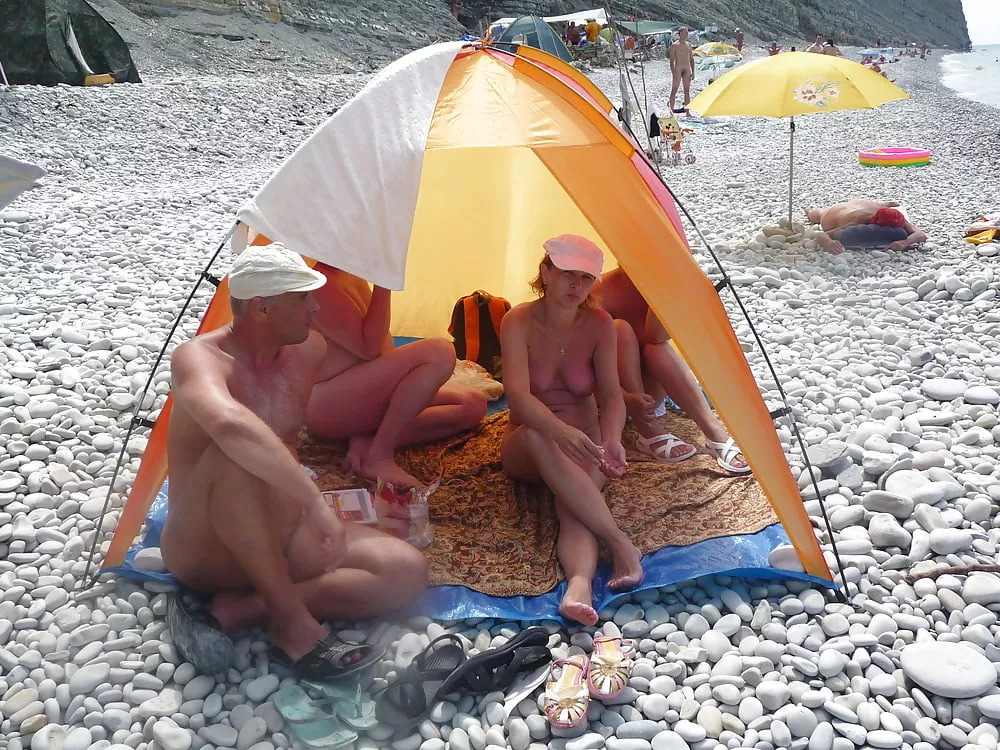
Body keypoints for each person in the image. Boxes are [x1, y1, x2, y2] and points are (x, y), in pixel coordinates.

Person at [160, 244, 429, 678]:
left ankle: (240, 610)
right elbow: (229, 425)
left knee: (404, 570)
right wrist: (314, 501)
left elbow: (367, 362)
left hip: (283, 530)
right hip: (207, 545)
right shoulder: (199, 358)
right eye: (303, 298)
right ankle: (291, 623)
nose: (315, 308)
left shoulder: (308, 351)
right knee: (237, 452)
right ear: (261, 308)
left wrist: (366, 443)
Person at [500, 235, 644, 627]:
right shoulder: (518, 321)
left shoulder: (600, 324)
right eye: (567, 274)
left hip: (586, 442)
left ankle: (578, 586)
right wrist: (561, 432)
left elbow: (611, 396)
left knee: (573, 501)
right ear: (545, 273)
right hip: (531, 443)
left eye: (586, 278)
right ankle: (620, 542)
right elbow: (517, 397)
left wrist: (611, 438)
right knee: (538, 435)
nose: (576, 285)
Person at [305, 264, 487, 490]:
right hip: (330, 404)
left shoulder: (348, 270)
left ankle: (368, 440)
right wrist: (384, 283)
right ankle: (379, 454)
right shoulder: (319, 281)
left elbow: (382, 346)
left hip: (364, 395)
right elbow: (369, 347)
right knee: (440, 352)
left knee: (473, 403)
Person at [595, 268, 749, 473]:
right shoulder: (600, 290)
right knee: (619, 328)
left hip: (649, 397)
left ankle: (715, 433)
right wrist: (625, 398)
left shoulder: (669, 281)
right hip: (613, 396)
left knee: (655, 348)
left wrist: (660, 290)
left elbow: (656, 337)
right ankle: (647, 429)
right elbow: (582, 368)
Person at [805, 200, 928, 254]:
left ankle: (883, 203)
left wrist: (906, 242)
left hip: (864, 203)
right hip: (836, 212)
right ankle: (808, 209)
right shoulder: (856, 223)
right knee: (816, 216)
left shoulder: (894, 216)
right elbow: (822, 235)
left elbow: (921, 235)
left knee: (873, 205)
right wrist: (828, 243)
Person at [669, 27, 696, 112]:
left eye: (687, 32)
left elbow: (691, 59)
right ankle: (671, 110)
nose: (687, 34)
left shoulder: (688, 45)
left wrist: (693, 71)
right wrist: (673, 73)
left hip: (687, 68)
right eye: (685, 32)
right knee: (674, 90)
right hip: (678, 68)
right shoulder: (675, 45)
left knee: (687, 91)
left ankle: (687, 111)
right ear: (680, 33)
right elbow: (671, 61)